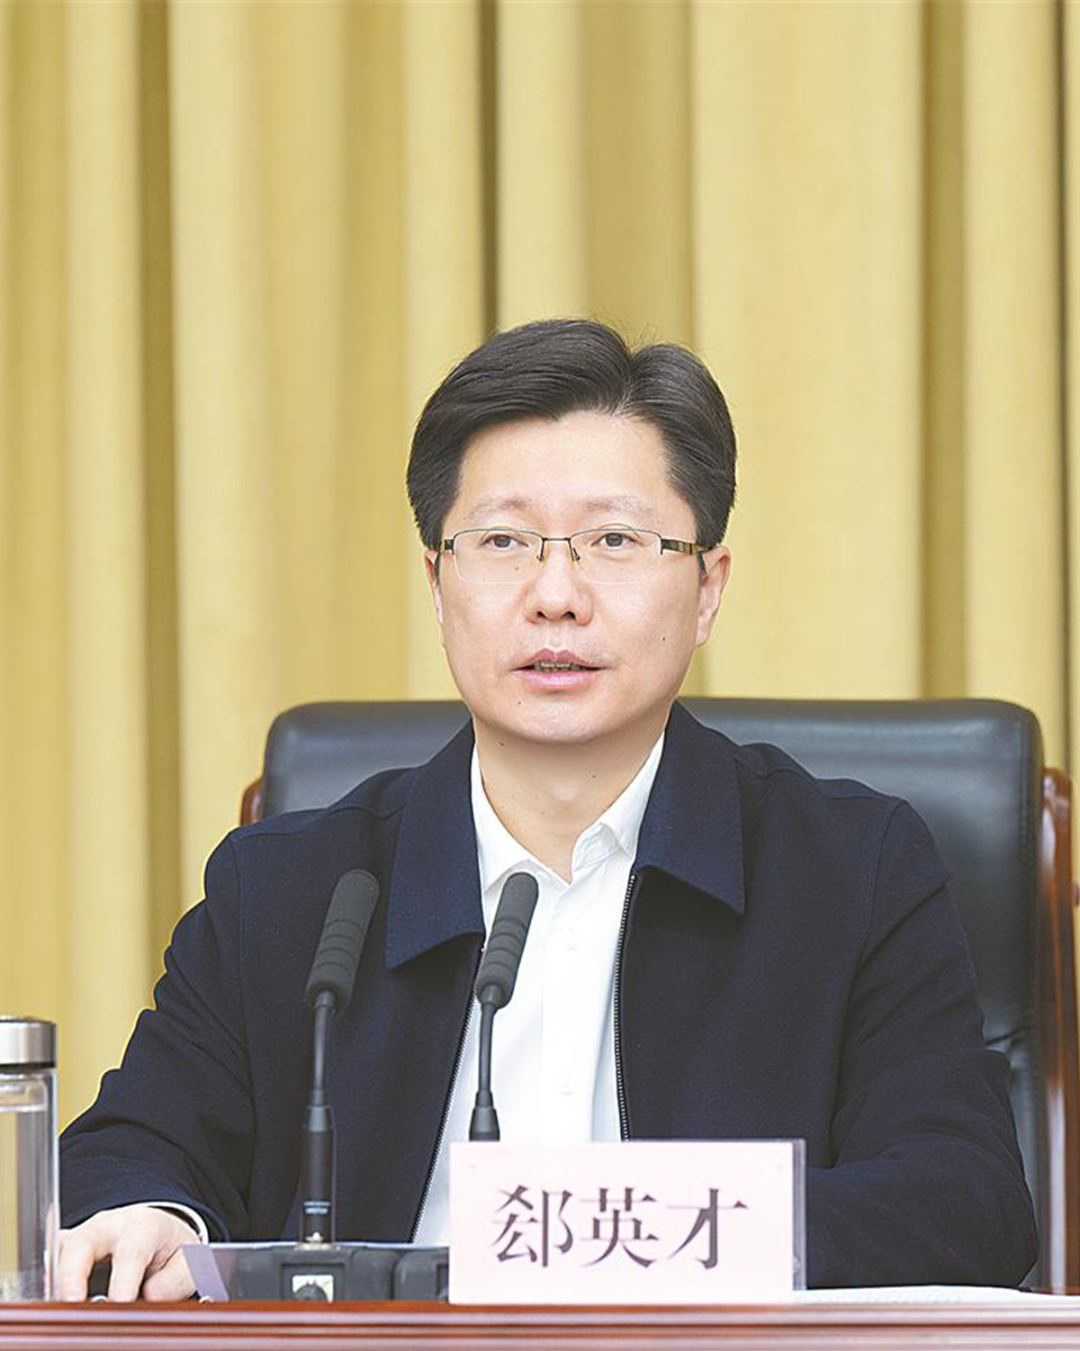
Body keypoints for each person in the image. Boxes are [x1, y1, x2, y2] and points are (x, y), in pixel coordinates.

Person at [57, 319, 1037, 1301]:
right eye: (502, 541)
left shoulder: (849, 871)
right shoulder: (290, 890)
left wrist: (634, 1234)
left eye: (615, 540)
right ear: (437, 582)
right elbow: (127, 1156)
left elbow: (966, 1201)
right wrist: (153, 1214)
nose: (556, 595)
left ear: (707, 589)